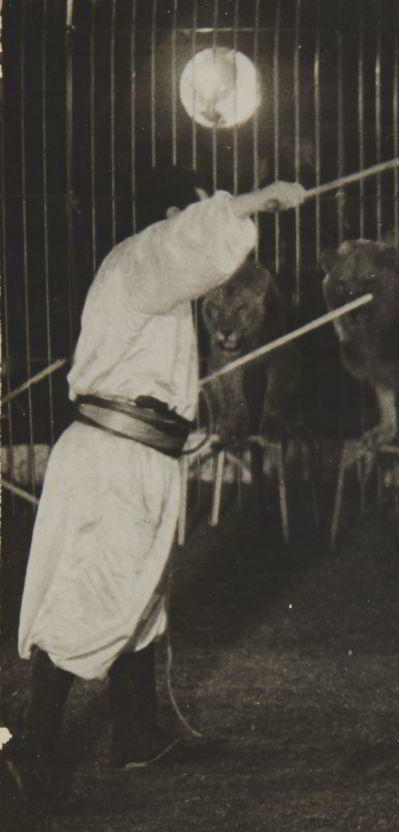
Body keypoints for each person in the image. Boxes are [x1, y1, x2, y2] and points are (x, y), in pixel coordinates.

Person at [1, 167, 306, 808]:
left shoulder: (153, 284)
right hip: (114, 460)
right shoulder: (145, 256)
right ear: (173, 216)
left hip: (138, 455)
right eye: (199, 211)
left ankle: (138, 735)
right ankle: (34, 743)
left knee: (139, 597)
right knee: (91, 593)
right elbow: (193, 241)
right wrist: (259, 201)